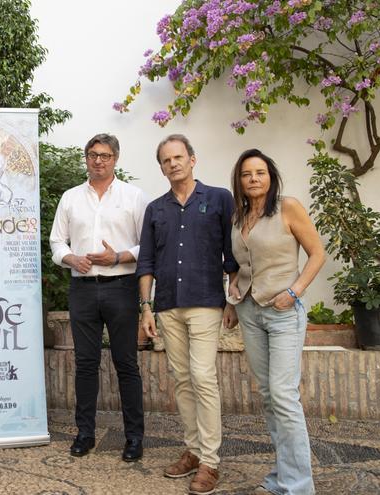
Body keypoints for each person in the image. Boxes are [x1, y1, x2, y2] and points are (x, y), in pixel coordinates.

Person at [137, 134, 238, 495]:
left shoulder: (219, 199)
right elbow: (146, 261)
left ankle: (210, 460)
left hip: (206, 301)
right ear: (161, 167)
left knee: (202, 376)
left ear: (192, 160)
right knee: (181, 378)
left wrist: (232, 300)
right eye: (166, 160)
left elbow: (232, 253)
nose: (173, 164)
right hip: (167, 304)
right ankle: (193, 451)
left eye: (178, 157)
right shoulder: (156, 209)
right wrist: (145, 307)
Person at [225, 149, 325, 495]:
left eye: (260, 172)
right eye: (247, 174)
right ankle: (283, 476)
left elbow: (317, 253)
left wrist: (296, 291)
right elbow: (239, 265)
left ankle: (298, 486)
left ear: (271, 176)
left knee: (284, 395)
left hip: (284, 311)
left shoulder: (288, 207)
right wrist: (231, 302)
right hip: (249, 312)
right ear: (239, 180)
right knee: (269, 396)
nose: (254, 179)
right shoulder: (238, 217)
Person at [50, 133, 149, 462]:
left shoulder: (134, 197)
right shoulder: (70, 198)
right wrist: (71, 259)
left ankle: (134, 438)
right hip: (82, 288)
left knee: (126, 364)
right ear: (86, 158)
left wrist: (118, 256)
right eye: (93, 155)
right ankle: (85, 433)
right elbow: (56, 243)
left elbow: (146, 247)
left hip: (120, 286)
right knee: (86, 364)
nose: (98, 160)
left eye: (105, 155)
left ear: (116, 158)